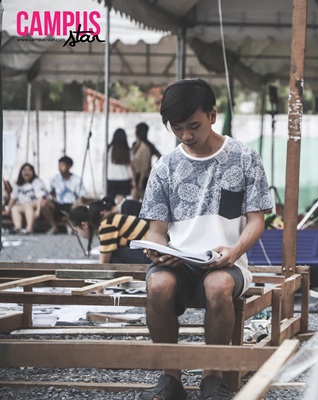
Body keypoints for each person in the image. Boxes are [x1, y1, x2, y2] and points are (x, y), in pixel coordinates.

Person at [138, 79, 272, 400]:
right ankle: (170, 377)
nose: (186, 135)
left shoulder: (244, 157)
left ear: (212, 116)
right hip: (179, 263)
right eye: (177, 128)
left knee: (218, 285)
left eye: (193, 126)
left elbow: (257, 221)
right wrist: (158, 251)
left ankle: (213, 376)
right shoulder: (164, 167)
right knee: (157, 284)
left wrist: (235, 250)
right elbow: (156, 230)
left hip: (228, 263)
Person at [68, 198, 149, 264]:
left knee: (112, 254)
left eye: (76, 231)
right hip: (149, 252)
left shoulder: (106, 226)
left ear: (84, 225)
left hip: (149, 256)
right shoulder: (110, 220)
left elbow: (104, 262)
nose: (77, 234)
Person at [41, 155, 87, 234]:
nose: (60, 167)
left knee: (78, 205)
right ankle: (53, 226)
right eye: (59, 165)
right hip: (58, 204)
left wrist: (78, 202)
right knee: (45, 204)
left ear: (69, 166)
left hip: (71, 204)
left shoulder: (76, 179)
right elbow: (51, 191)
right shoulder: (55, 178)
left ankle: (73, 226)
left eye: (63, 165)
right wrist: (53, 198)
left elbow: (82, 195)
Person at [6, 163, 51, 234]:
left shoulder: (37, 181)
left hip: (37, 203)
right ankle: (18, 227)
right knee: (15, 208)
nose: (27, 172)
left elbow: (40, 197)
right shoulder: (18, 184)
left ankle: (29, 228)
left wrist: (38, 211)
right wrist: (8, 210)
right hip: (24, 205)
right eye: (24, 170)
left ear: (33, 172)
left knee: (28, 206)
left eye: (29, 170)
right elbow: (13, 198)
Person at [131, 122, 162, 201]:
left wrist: (153, 167)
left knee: (144, 198)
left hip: (144, 176)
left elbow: (160, 156)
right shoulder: (137, 144)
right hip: (137, 174)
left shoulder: (146, 146)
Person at [107, 128, 134, 203]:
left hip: (111, 179)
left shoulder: (109, 150)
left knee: (110, 202)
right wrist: (134, 181)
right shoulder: (128, 150)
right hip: (124, 179)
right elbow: (132, 167)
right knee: (120, 203)